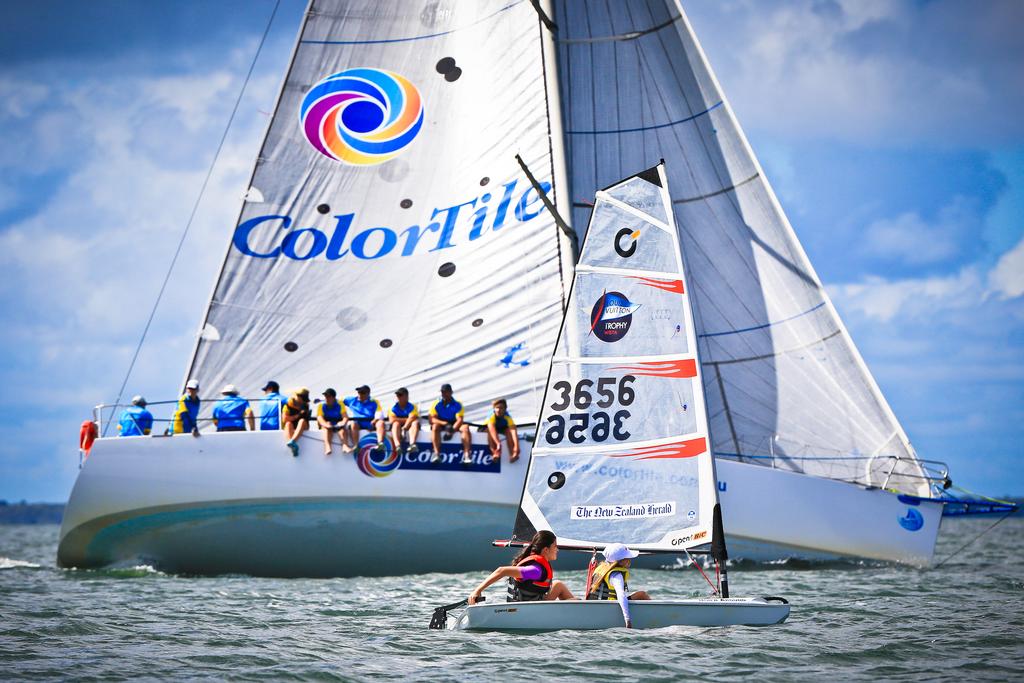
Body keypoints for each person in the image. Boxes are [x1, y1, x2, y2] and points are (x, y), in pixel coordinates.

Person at [468, 530, 576, 605]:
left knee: (558, 585)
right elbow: (502, 570)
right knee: (564, 590)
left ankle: (580, 606)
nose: (557, 549)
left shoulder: (536, 564)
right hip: (529, 609)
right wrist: (477, 591)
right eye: (555, 546)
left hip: (534, 604)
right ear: (545, 550)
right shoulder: (535, 570)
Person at [586, 543, 651, 628]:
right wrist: (627, 619)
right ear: (621, 560)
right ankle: (656, 616)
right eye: (627, 557)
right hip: (608, 608)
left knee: (640, 594)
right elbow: (621, 595)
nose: (629, 560)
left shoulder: (601, 567)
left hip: (593, 606)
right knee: (642, 595)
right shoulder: (616, 575)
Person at [429, 383, 472, 465]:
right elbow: (432, 419)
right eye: (442, 392)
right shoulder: (436, 403)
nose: (444, 394)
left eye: (446, 392)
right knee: (434, 427)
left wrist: (451, 431)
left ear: (451, 392)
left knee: (465, 427)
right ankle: (436, 454)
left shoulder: (457, 404)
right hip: (442, 423)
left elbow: (459, 420)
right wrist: (444, 424)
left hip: (453, 423)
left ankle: (467, 456)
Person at [344, 385, 386, 453]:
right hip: (358, 423)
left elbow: (379, 413)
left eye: (362, 393)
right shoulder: (352, 400)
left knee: (381, 422)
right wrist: (322, 400)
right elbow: (337, 401)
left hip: (371, 422)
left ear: (368, 394)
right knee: (353, 423)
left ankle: (380, 443)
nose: (360, 394)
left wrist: (374, 421)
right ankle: (356, 445)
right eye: (359, 392)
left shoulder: (374, 401)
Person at [317, 388, 350, 455]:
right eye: (325, 396)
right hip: (327, 424)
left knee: (342, 429)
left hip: (337, 424)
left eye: (329, 396)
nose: (326, 398)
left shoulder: (340, 404)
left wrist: (342, 423)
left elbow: (345, 417)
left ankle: (345, 445)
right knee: (327, 426)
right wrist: (326, 425)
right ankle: (327, 447)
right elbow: (320, 418)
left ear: (334, 397)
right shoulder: (321, 405)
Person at [485, 398, 520, 463]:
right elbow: (492, 429)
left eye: (501, 408)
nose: (498, 410)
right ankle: (495, 453)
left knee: (508, 431)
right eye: (496, 408)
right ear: (494, 408)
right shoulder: (492, 415)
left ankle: (513, 453)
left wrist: (516, 446)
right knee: (489, 431)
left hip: (499, 428)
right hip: (487, 428)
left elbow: (513, 431)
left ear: (505, 409)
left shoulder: (507, 416)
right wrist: (498, 443)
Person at [388, 387, 420, 455]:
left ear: (406, 396)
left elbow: (412, 418)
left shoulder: (413, 406)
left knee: (415, 423)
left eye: (400, 395)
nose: (398, 397)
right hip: (399, 427)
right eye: (397, 395)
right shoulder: (393, 407)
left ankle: (412, 444)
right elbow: (392, 420)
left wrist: (404, 427)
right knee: (395, 424)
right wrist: (407, 419)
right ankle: (398, 446)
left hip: (408, 426)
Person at [282, 387, 311, 456]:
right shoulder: (287, 405)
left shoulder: (306, 405)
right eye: (303, 399)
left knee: (302, 421)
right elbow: (285, 419)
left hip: (303, 425)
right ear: (298, 397)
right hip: (292, 425)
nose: (304, 401)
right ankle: (292, 446)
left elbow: (305, 418)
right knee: (288, 424)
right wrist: (298, 415)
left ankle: (293, 441)